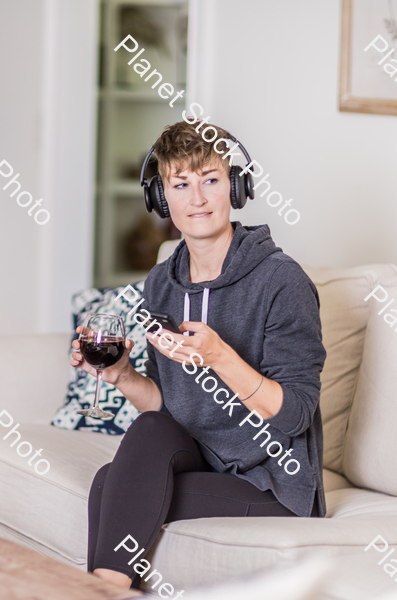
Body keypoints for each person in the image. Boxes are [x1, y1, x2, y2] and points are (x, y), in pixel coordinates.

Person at [70, 120, 327, 590]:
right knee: (134, 448)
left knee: (114, 487)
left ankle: (101, 590)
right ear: (161, 197)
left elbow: (293, 416)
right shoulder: (162, 282)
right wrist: (122, 375)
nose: (198, 199)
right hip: (203, 459)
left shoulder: (281, 282)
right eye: (180, 185)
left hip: (272, 482)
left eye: (210, 180)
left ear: (236, 186)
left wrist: (220, 357)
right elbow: (169, 410)